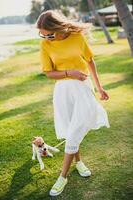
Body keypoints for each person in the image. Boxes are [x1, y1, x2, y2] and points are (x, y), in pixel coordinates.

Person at [36, 10, 110, 197]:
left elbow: (90, 61)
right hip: (62, 91)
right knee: (70, 129)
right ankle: (79, 163)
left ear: (58, 28)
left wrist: (100, 88)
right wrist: (69, 73)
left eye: (49, 34)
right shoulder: (45, 45)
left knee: (77, 128)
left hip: (82, 88)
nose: (47, 38)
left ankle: (62, 176)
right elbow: (49, 73)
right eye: (43, 35)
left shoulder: (77, 37)